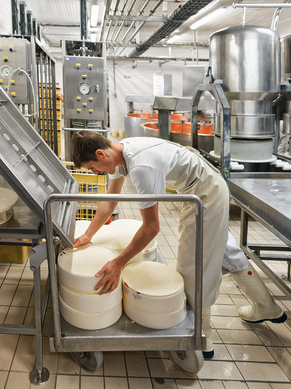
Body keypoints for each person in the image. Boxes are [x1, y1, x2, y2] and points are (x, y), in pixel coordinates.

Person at [71, 131, 286, 359]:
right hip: (203, 188)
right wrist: (88, 235)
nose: (95, 173)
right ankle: (266, 307)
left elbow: (151, 227)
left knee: (193, 265)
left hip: (205, 195)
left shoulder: (141, 166)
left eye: (92, 168)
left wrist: (118, 263)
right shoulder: (120, 150)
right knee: (226, 251)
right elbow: (109, 202)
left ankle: (202, 337)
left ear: (100, 153)